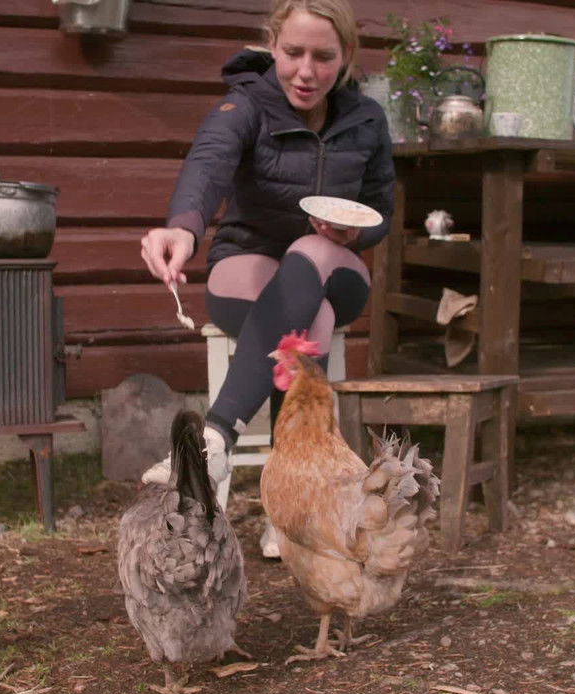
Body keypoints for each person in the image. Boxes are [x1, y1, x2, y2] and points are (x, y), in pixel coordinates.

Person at [139, 0, 395, 557]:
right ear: (272, 45)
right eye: (293, 52)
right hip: (247, 265)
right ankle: (290, 509)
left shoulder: (367, 119)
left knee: (311, 251)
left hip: (336, 266)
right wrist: (182, 228)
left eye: (323, 57)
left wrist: (357, 232)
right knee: (309, 313)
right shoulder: (245, 105)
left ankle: (216, 437)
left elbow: (382, 208)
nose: (306, 71)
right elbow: (207, 166)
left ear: (347, 55)